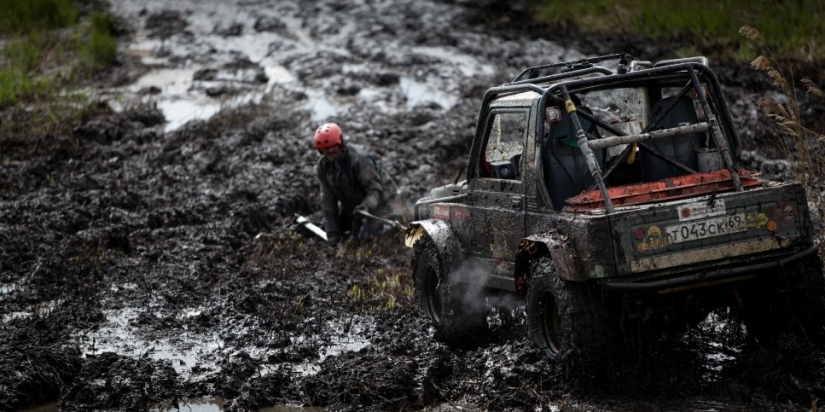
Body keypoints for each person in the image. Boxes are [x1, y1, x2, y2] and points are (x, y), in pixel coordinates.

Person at [314, 122, 397, 246]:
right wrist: (332, 234)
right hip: (355, 207)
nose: (330, 151)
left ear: (340, 143)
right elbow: (328, 202)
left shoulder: (358, 159)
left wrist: (365, 208)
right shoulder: (323, 166)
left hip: (381, 203)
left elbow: (375, 190)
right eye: (326, 149)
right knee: (337, 229)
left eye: (333, 146)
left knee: (367, 237)